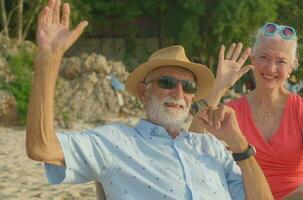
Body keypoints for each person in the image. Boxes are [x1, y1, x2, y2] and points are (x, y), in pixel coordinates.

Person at [25, 1, 274, 199]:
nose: (178, 93)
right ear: (144, 92)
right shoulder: (117, 143)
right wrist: (49, 59)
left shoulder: (210, 148)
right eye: (166, 83)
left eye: (188, 87)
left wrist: (239, 145)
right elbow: (41, 148)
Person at [190, 23, 303, 200]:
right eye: (264, 58)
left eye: (281, 61)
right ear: (252, 60)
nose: (271, 68)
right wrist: (219, 88)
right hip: (250, 195)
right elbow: (190, 147)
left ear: (291, 67)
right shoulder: (232, 111)